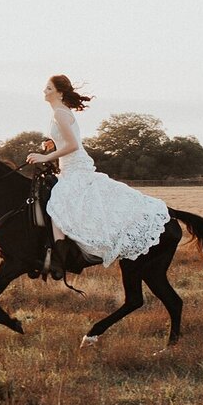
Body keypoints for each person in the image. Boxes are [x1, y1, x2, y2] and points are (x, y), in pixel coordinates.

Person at [22, 75, 169, 267]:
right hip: (68, 166)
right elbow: (67, 139)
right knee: (60, 204)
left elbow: (73, 145)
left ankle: (61, 258)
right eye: (45, 88)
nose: (45, 91)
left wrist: (45, 157)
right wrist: (53, 142)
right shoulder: (60, 112)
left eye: (49, 88)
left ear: (59, 92)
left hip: (75, 166)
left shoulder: (59, 113)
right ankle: (59, 254)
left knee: (58, 203)